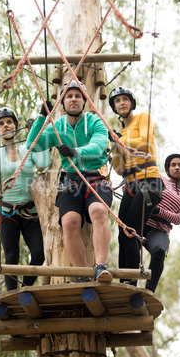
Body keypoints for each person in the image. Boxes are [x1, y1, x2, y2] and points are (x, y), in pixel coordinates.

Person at [26, 80, 113, 282]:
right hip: (71, 179)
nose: (73, 99)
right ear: (63, 102)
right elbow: (33, 145)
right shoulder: (57, 127)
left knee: (98, 211)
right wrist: (41, 117)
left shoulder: (94, 121)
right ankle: (83, 275)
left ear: (84, 101)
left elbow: (99, 145)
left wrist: (76, 151)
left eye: (78, 96)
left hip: (96, 175)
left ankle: (101, 267)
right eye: (69, 96)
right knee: (69, 221)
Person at [0, 107, 51, 291]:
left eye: (9, 122)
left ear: (16, 126)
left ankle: (24, 290)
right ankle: (12, 295)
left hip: (30, 211)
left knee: (39, 254)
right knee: (11, 257)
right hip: (7, 212)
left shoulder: (27, 148)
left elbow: (44, 164)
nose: (5, 126)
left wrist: (40, 137)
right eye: (1, 124)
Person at [108, 86, 164, 286]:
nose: (121, 103)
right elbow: (117, 169)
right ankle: (125, 280)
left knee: (130, 230)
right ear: (114, 107)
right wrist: (114, 147)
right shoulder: (120, 134)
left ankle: (130, 284)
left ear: (131, 102)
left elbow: (146, 142)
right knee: (123, 233)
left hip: (149, 182)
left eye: (125, 99)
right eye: (117, 101)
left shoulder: (143, 118)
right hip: (131, 186)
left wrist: (120, 140)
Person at [145, 153, 180, 292]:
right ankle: (129, 284)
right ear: (168, 169)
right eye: (173, 165)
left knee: (160, 251)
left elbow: (179, 218)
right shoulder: (159, 178)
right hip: (141, 221)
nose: (177, 167)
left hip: (159, 229)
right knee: (129, 246)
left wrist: (157, 210)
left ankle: (149, 291)